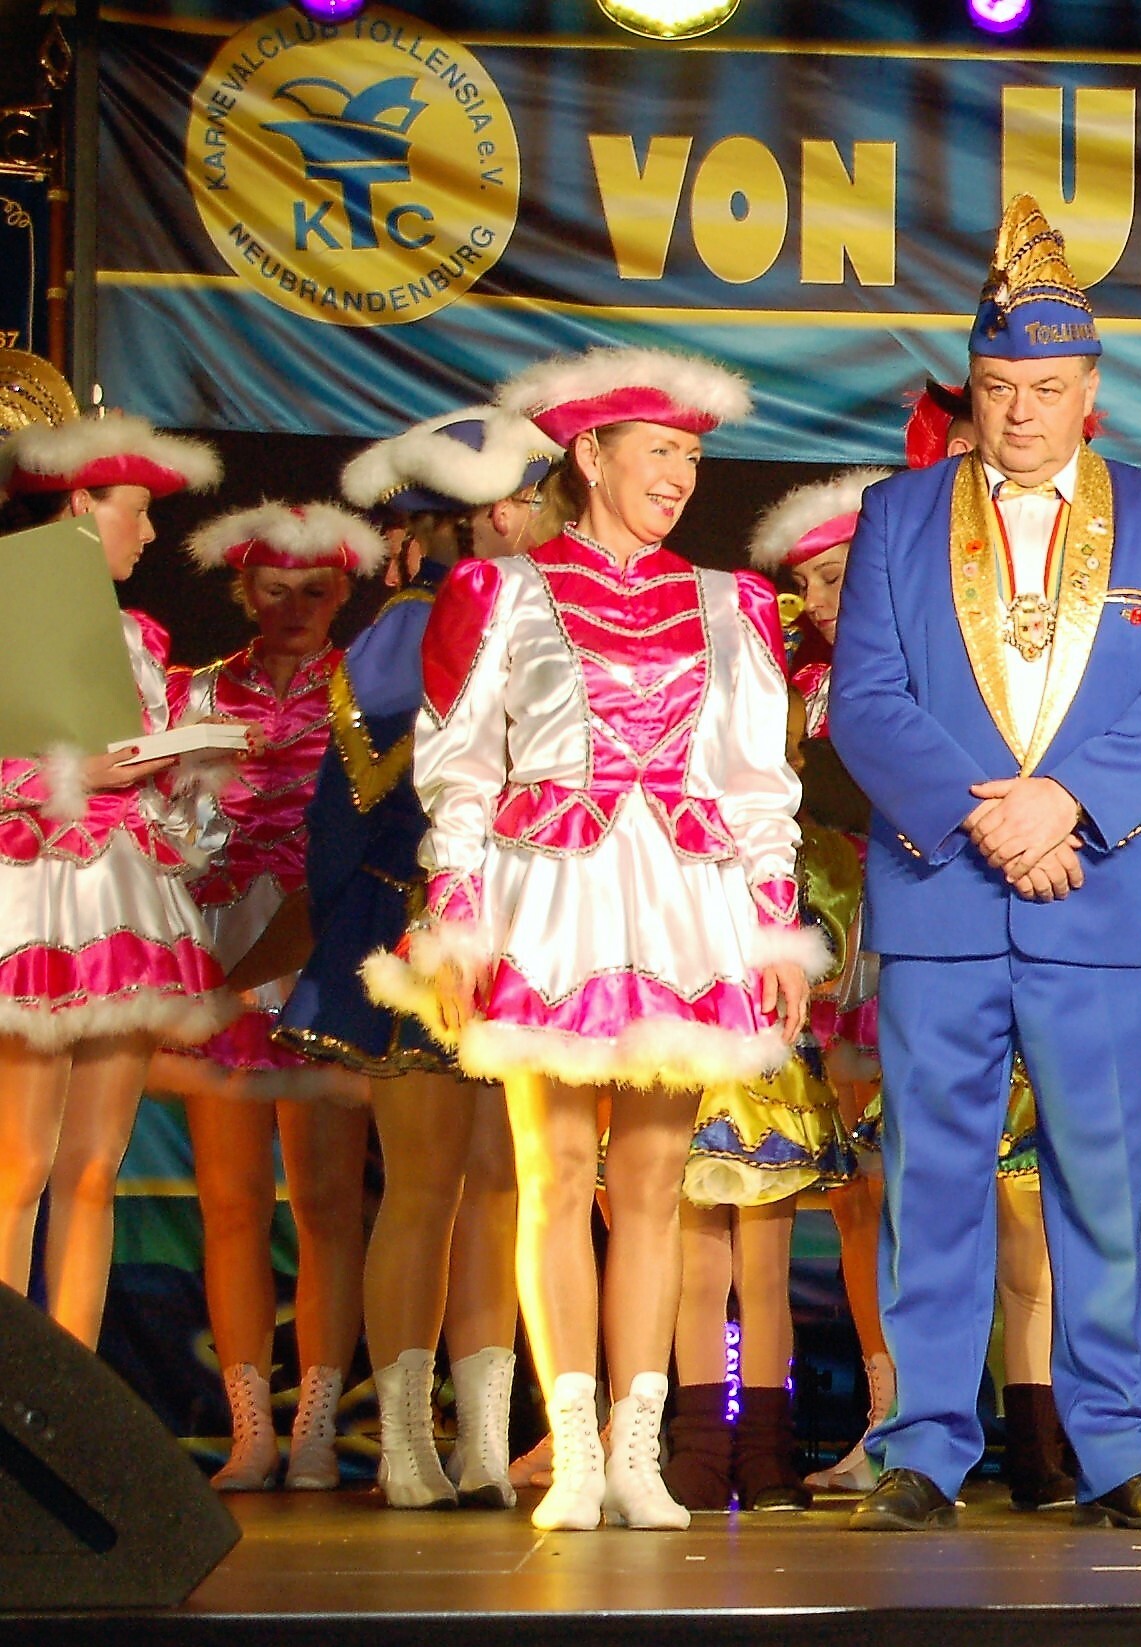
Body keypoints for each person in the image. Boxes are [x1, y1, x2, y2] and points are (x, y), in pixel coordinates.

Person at [371, 346, 820, 1534]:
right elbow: (459, 766)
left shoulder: (731, 603)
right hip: (554, 897)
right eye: (659, 451)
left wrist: (775, 928)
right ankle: (571, 1449)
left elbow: (757, 783)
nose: (679, 475)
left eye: (691, 457)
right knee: (556, 1172)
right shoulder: (500, 591)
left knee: (655, 1183)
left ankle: (636, 1449)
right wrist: (456, 913)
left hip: (681, 900)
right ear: (590, 453)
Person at [831, 197, 1141, 1532]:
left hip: (1093, 894)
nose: (1020, 413)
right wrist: (986, 820)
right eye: (998, 387)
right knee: (930, 1179)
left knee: (1104, 1186)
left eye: (1046, 390)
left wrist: (1065, 805)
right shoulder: (898, 515)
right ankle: (925, 1446)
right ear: (973, 387)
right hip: (943, 893)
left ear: (1089, 391)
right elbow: (866, 699)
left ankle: (1121, 1446)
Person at [286, 407, 553, 1508]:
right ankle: (410, 1443)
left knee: (489, 1186)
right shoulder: (417, 625)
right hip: (431, 929)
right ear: (474, 516)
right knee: (438, 1187)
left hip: (500, 928)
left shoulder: (506, 608)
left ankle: (479, 1442)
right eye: (525, 499)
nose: (537, 516)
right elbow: (358, 812)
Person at [656, 468, 889, 1515]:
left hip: (874, 941)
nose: (818, 603)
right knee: (768, 1204)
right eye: (806, 586)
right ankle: (691, 1431)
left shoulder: (911, 674)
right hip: (766, 959)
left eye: (836, 578)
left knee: (875, 1193)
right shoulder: (774, 681)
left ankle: (895, 1413)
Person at [152, 502, 385, 1489]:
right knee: (233, 1202)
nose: (294, 607)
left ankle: (317, 1428)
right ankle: (251, 1431)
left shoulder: (365, 689)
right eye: (275, 589)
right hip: (220, 953)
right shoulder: (190, 691)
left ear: (343, 592)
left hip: (322, 951)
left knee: (329, 1202)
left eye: (314, 591)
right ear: (244, 590)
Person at [0, 378, 229, 1348]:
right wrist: (71, 773)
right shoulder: (11, 604)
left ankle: (75, 1388)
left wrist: (191, 768)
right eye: (134, 510)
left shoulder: (141, 638)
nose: (148, 533)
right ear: (77, 505)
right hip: (33, 894)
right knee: (17, 1162)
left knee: (94, 1167)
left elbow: (169, 803)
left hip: (123, 898)